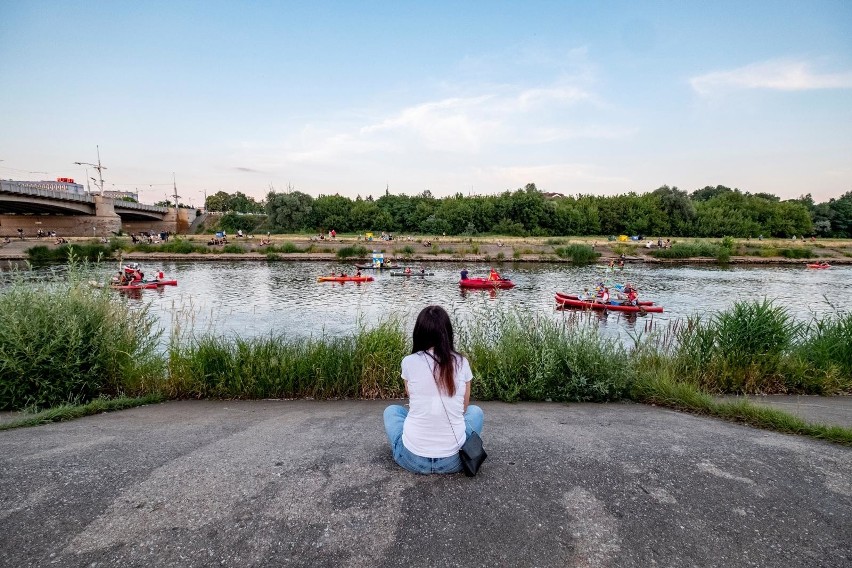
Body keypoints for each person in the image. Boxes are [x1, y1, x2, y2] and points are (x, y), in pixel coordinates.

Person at [383, 305, 484, 474]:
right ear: (448, 333)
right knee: (475, 412)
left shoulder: (408, 362)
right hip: (455, 460)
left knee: (392, 411)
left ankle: (413, 443)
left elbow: (411, 396)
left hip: (412, 459)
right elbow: (464, 408)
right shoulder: (461, 362)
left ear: (419, 333)